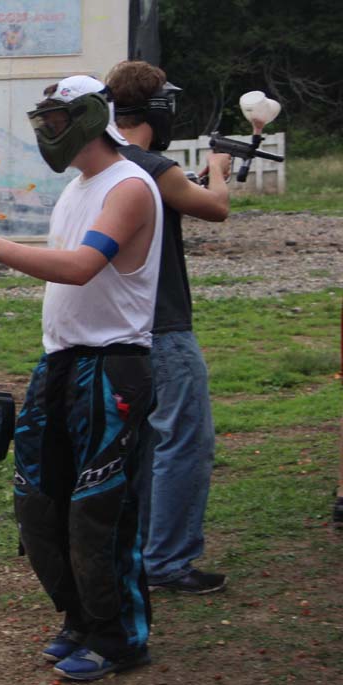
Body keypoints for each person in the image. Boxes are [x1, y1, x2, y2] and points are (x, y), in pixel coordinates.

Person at [0, 75, 163, 682]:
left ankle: (118, 637)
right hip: (63, 362)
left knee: (98, 508)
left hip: (112, 366)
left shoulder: (128, 187)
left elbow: (80, 267)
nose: (49, 132)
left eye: (56, 120)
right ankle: (79, 617)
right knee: (40, 504)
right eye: (44, 122)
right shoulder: (77, 188)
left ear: (90, 116)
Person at [105, 61, 231, 596]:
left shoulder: (107, 163)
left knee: (143, 446)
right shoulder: (153, 167)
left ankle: (140, 553)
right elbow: (216, 208)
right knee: (184, 442)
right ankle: (170, 561)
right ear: (158, 111)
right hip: (164, 328)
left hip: (118, 331)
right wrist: (218, 168)